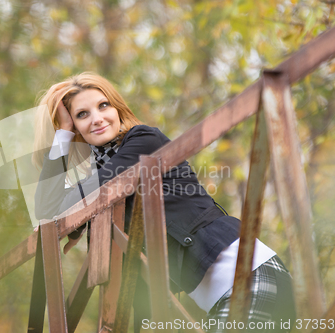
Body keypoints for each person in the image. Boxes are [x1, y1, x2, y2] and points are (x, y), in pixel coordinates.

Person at [33, 72, 296, 332]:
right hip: (223, 298)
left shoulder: (143, 141)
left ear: (117, 108)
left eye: (104, 105)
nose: (97, 118)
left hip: (252, 278)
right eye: (82, 114)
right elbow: (47, 211)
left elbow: (62, 206)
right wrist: (63, 134)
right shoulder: (102, 182)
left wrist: (73, 213)